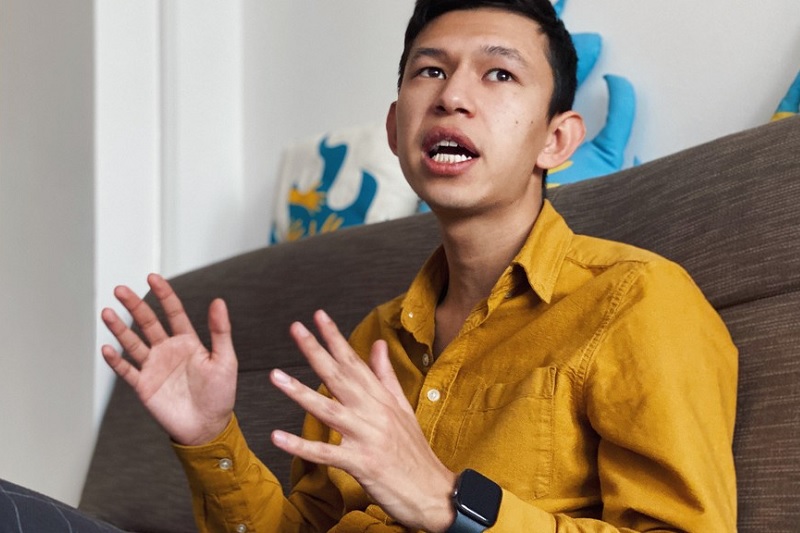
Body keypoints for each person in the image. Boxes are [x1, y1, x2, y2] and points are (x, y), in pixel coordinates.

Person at [97, 1, 738, 532]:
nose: (452, 96)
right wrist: (209, 437)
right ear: (395, 126)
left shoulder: (635, 299)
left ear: (556, 139)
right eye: (430, 71)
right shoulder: (373, 341)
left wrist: (448, 502)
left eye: (499, 74)